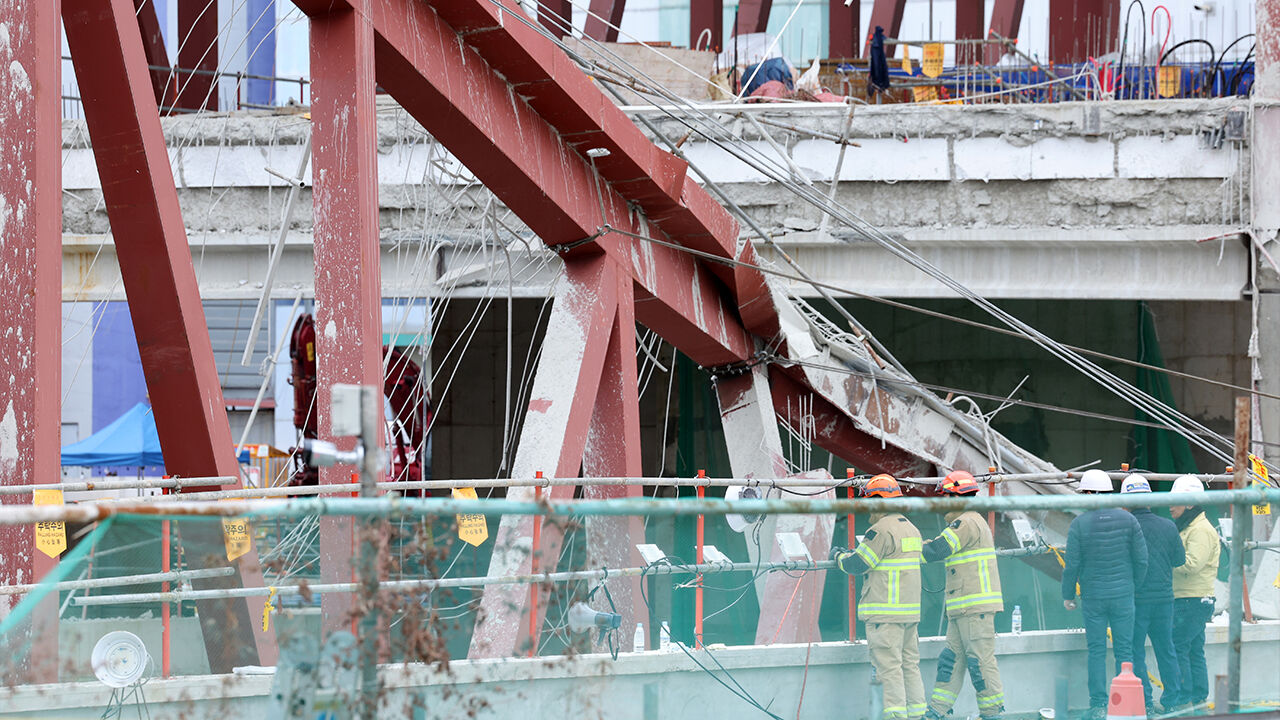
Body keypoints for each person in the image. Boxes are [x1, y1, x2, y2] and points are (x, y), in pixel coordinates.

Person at [832, 474, 926, 720]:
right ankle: (917, 715)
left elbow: (859, 564)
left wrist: (838, 557)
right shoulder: (911, 528)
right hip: (909, 614)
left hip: (885, 615)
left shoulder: (880, 530)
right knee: (909, 667)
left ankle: (895, 717)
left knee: (888, 670)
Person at [1062, 468, 1149, 720]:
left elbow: (1072, 565)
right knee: (1125, 650)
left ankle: (1099, 705)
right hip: (1124, 595)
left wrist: (1068, 595)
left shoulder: (1079, 524)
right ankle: (1128, 703)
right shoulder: (1129, 520)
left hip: (1094, 598)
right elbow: (1142, 560)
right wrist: (1134, 586)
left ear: (1090, 492)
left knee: (1096, 650)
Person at [922, 471, 1005, 720]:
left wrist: (907, 546)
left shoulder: (966, 522)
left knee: (980, 661)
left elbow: (938, 549)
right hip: (963, 609)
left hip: (974, 607)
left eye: (944, 496)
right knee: (952, 660)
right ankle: (938, 710)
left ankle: (992, 713)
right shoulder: (968, 521)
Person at [1121, 474, 1186, 715]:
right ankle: (1172, 701)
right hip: (1164, 600)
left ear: (1125, 501)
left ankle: (1145, 701)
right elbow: (1180, 560)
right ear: (1149, 499)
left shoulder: (1125, 527)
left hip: (1136, 600)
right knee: (1165, 649)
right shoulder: (1168, 526)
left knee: (1135, 650)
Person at [1168, 474, 1219, 711]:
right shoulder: (1190, 526)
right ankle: (1198, 698)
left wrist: (1163, 561)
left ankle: (1183, 700)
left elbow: (1191, 564)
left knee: (1178, 647)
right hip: (1193, 599)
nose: (1170, 506)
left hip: (1192, 600)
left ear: (1190, 503)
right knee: (1194, 650)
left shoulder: (1200, 530)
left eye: (1176, 501)